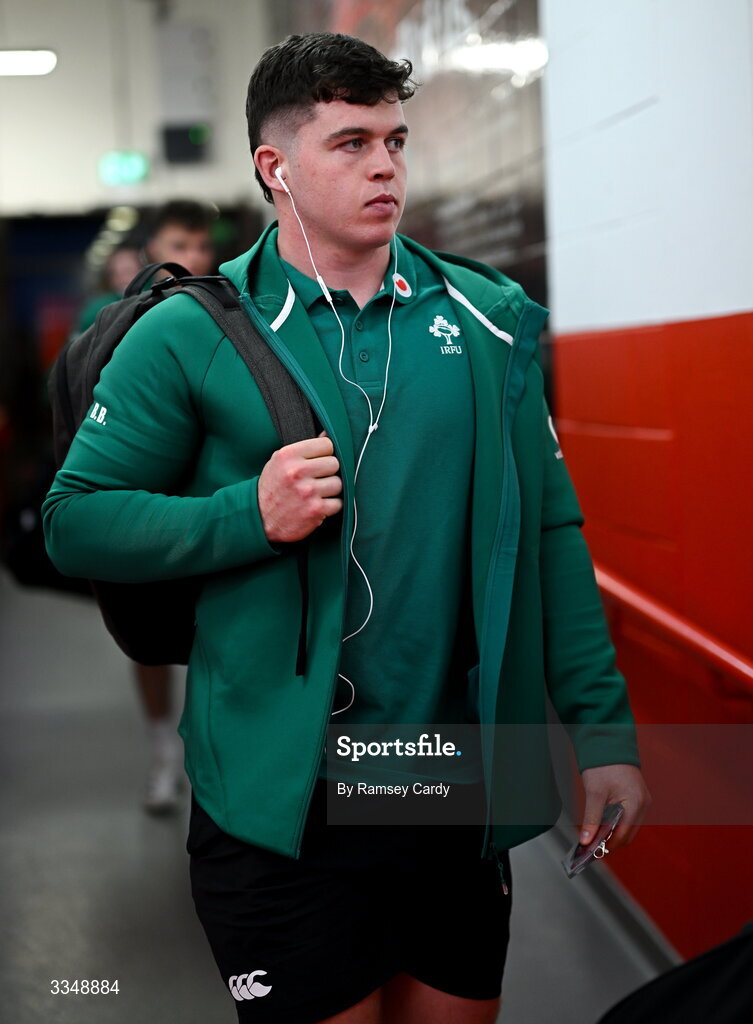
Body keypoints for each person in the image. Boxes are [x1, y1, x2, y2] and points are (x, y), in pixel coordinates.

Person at [43, 33, 651, 1024]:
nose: (386, 167)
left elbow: (550, 531)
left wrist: (603, 728)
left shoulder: (486, 317)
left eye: (396, 140)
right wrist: (251, 513)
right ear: (274, 167)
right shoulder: (194, 331)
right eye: (352, 142)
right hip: (281, 793)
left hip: (445, 778)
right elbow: (77, 521)